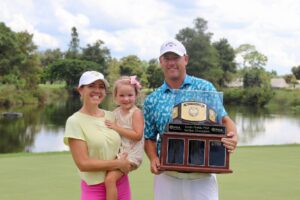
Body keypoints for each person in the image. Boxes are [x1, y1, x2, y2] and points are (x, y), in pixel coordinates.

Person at [143, 39, 238, 200]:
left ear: (185, 59)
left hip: (202, 177)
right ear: (161, 62)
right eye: (167, 59)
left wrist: (233, 136)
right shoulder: (152, 99)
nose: (171, 63)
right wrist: (153, 158)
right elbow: (149, 137)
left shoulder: (204, 88)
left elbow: (225, 120)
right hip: (167, 177)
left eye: (176, 58)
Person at [64, 71, 132, 200]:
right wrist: (118, 163)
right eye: (91, 86)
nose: (97, 90)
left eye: (101, 87)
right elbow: (83, 163)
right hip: (95, 188)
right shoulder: (74, 121)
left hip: (121, 183)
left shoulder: (112, 116)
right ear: (81, 90)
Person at [105, 76, 144, 200]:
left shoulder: (136, 113)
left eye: (130, 95)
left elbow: (137, 136)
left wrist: (116, 127)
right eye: (121, 95)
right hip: (121, 152)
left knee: (110, 180)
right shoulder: (115, 112)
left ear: (136, 95)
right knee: (103, 171)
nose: (126, 99)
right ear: (115, 97)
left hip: (132, 154)